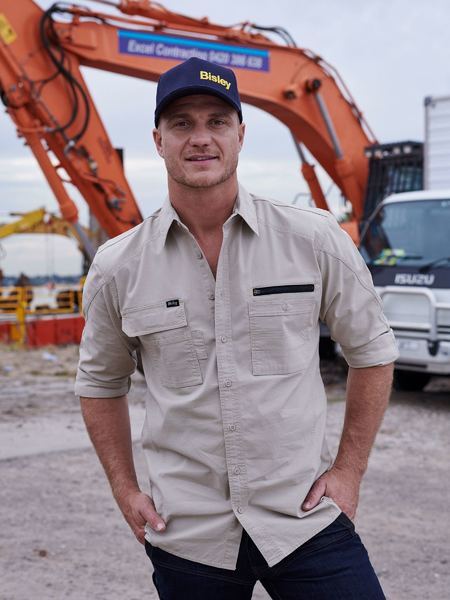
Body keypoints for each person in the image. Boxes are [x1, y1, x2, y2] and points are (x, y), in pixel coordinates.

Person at [75, 57, 398, 599]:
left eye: (217, 122)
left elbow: (373, 351)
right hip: (189, 535)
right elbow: (99, 384)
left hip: (304, 520)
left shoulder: (313, 239)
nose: (200, 138)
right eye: (182, 123)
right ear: (158, 141)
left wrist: (348, 472)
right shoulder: (118, 266)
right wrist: (124, 489)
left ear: (240, 135)